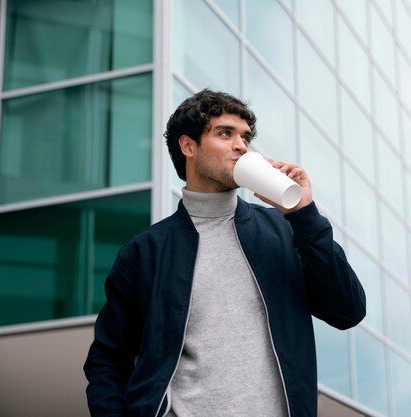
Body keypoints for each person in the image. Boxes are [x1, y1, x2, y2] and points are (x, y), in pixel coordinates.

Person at [83, 89, 366, 417]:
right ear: (188, 146)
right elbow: (108, 362)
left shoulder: (288, 230)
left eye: (245, 137)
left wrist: (305, 214)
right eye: (224, 134)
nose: (241, 146)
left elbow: (348, 310)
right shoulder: (144, 253)